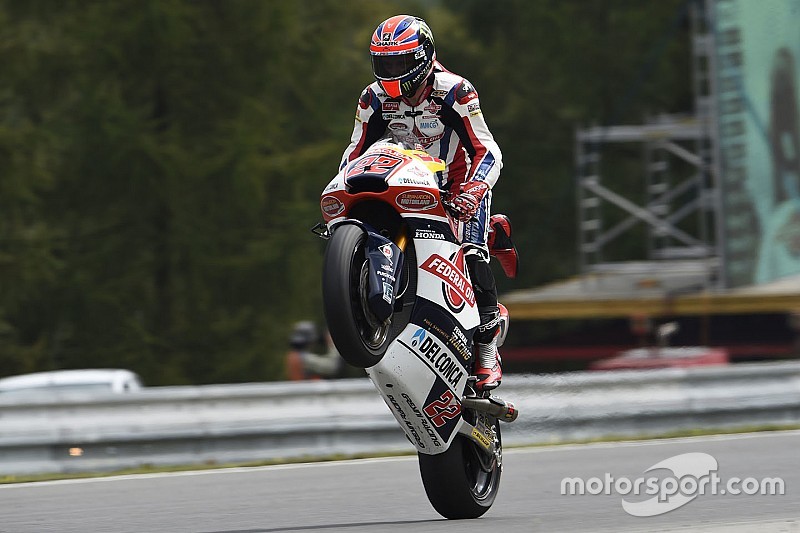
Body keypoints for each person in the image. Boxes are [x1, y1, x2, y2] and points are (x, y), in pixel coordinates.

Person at [339, 15, 504, 390]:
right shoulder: (372, 98)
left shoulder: (455, 92)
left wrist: (474, 191)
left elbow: (488, 149)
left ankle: (487, 344)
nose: (391, 72)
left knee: (472, 253)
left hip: (456, 187)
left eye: (399, 63)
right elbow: (355, 149)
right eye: (384, 64)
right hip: (401, 181)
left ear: (423, 58)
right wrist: (344, 190)